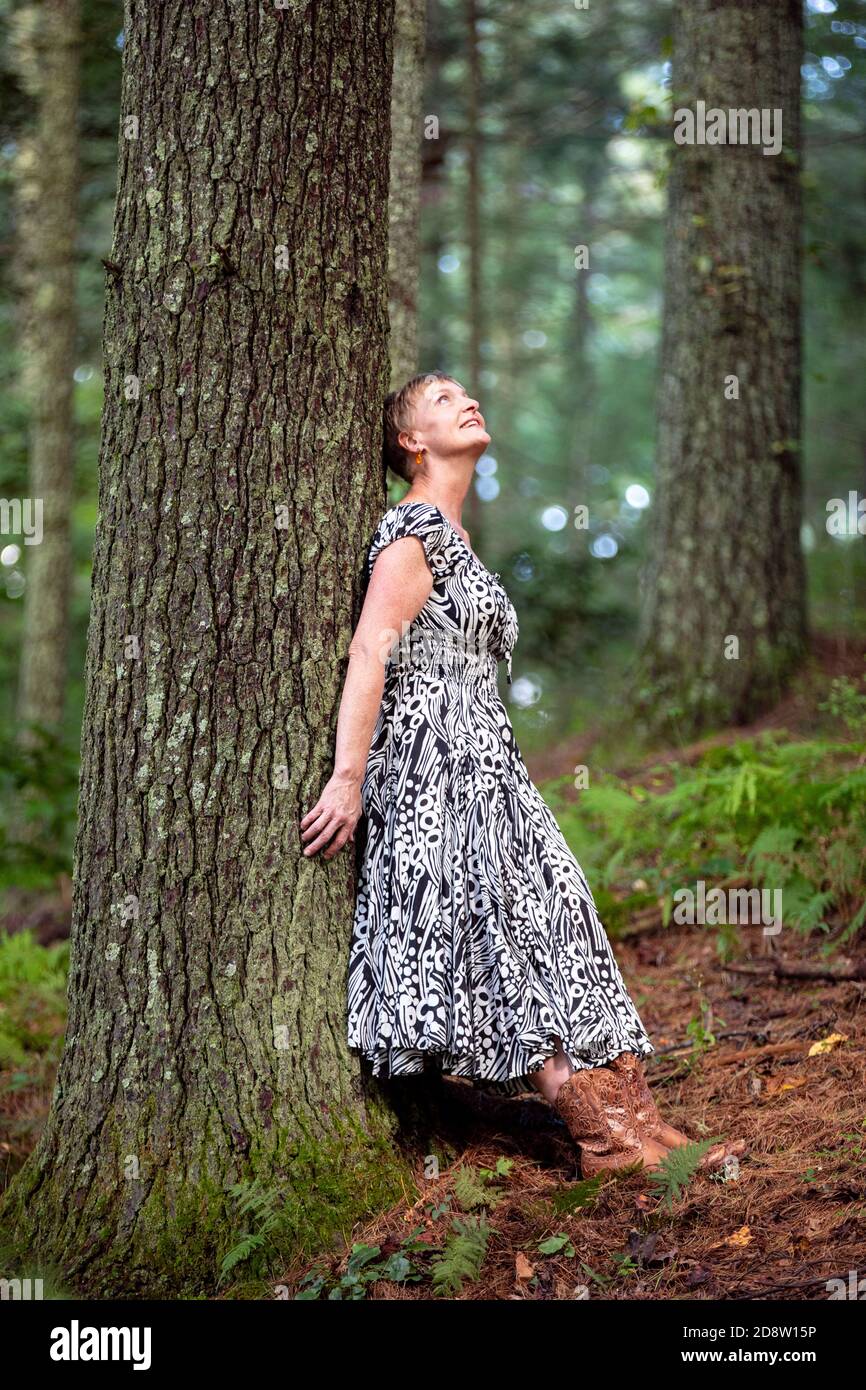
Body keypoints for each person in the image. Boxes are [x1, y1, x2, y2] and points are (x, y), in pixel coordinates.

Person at [300, 371, 744, 1178]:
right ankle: (605, 1139)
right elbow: (371, 651)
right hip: (432, 770)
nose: (467, 403)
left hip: (490, 767)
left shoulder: (456, 534)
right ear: (410, 440)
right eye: (441, 400)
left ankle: (640, 1124)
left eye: (467, 394)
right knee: (495, 939)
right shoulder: (411, 535)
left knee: (561, 919)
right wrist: (345, 778)